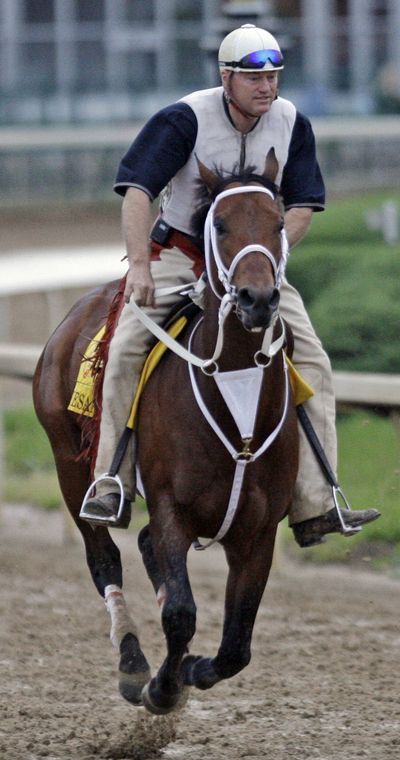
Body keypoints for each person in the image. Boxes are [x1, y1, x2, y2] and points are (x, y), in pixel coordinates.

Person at [81, 23, 379, 546]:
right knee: (127, 347)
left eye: (274, 76)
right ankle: (112, 481)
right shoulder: (182, 119)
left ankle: (317, 499)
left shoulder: (291, 123)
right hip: (181, 255)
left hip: (253, 267)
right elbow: (136, 193)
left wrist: (262, 260)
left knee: (314, 361)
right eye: (253, 77)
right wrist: (141, 269)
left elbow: (304, 205)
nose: (267, 87)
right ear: (226, 77)